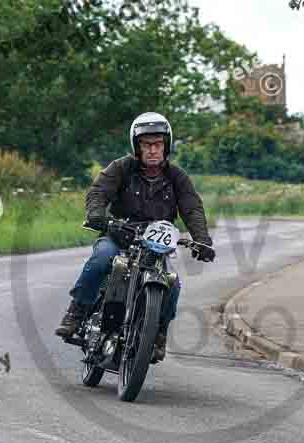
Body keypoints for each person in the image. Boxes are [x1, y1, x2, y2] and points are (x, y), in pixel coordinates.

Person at [55, 112, 215, 363]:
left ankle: (158, 333)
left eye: (158, 144)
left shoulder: (177, 177)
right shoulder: (120, 168)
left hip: (157, 243)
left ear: (166, 145)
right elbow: (98, 193)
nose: (152, 150)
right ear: (137, 146)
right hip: (120, 234)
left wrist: (203, 240)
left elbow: (192, 208)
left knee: (172, 283)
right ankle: (77, 311)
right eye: (146, 144)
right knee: (102, 259)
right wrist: (99, 217)